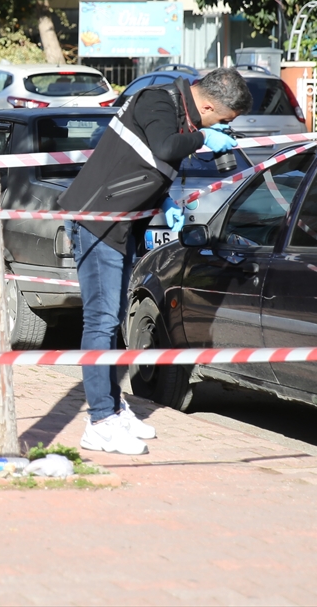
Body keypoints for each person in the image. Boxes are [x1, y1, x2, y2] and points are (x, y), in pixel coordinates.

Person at [58, 68, 253, 454]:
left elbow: (148, 161)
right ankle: (99, 422)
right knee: (100, 322)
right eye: (224, 121)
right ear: (210, 105)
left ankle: (112, 405)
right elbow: (165, 146)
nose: (222, 128)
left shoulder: (181, 111)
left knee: (113, 320)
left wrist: (164, 201)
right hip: (99, 221)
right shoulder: (158, 101)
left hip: (125, 221)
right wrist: (203, 139)